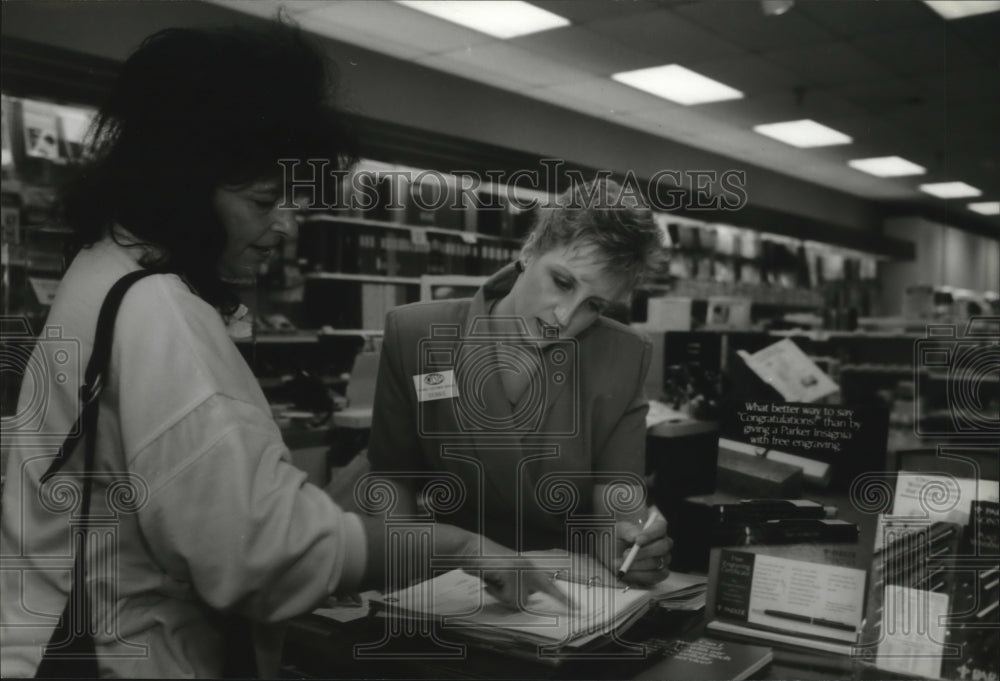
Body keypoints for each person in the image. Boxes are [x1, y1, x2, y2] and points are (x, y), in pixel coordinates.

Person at [0, 24, 560, 679]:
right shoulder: (159, 310)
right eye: (264, 199)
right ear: (181, 186)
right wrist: (466, 548)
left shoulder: (99, 269)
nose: (288, 225)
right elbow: (261, 553)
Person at [368, 179, 672, 585]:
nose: (564, 317)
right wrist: (397, 577)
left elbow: (614, 507)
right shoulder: (416, 333)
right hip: (445, 572)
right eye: (562, 282)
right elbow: (392, 480)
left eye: (594, 305)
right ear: (529, 250)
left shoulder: (623, 356)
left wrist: (631, 544)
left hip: (566, 584)